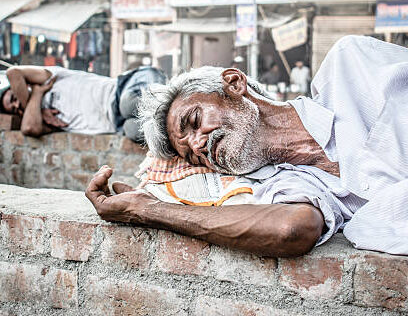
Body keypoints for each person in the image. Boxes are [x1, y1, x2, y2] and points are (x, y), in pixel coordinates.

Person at [86, 35, 408, 257]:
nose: (199, 144)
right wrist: (146, 210)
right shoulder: (285, 185)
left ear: (234, 84)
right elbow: (290, 229)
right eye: (192, 155)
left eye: (195, 120)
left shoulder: (348, 66)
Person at [0, 65, 166, 141]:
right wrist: (35, 98)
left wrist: (36, 92)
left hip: (125, 88)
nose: (17, 105)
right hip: (118, 124)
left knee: (127, 105)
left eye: (14, 98)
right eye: (14, 109)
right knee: (134, 131)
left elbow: (13, 72)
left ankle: (174, 98)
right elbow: (29, 128)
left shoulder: (47, 78)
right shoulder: (43, 120)